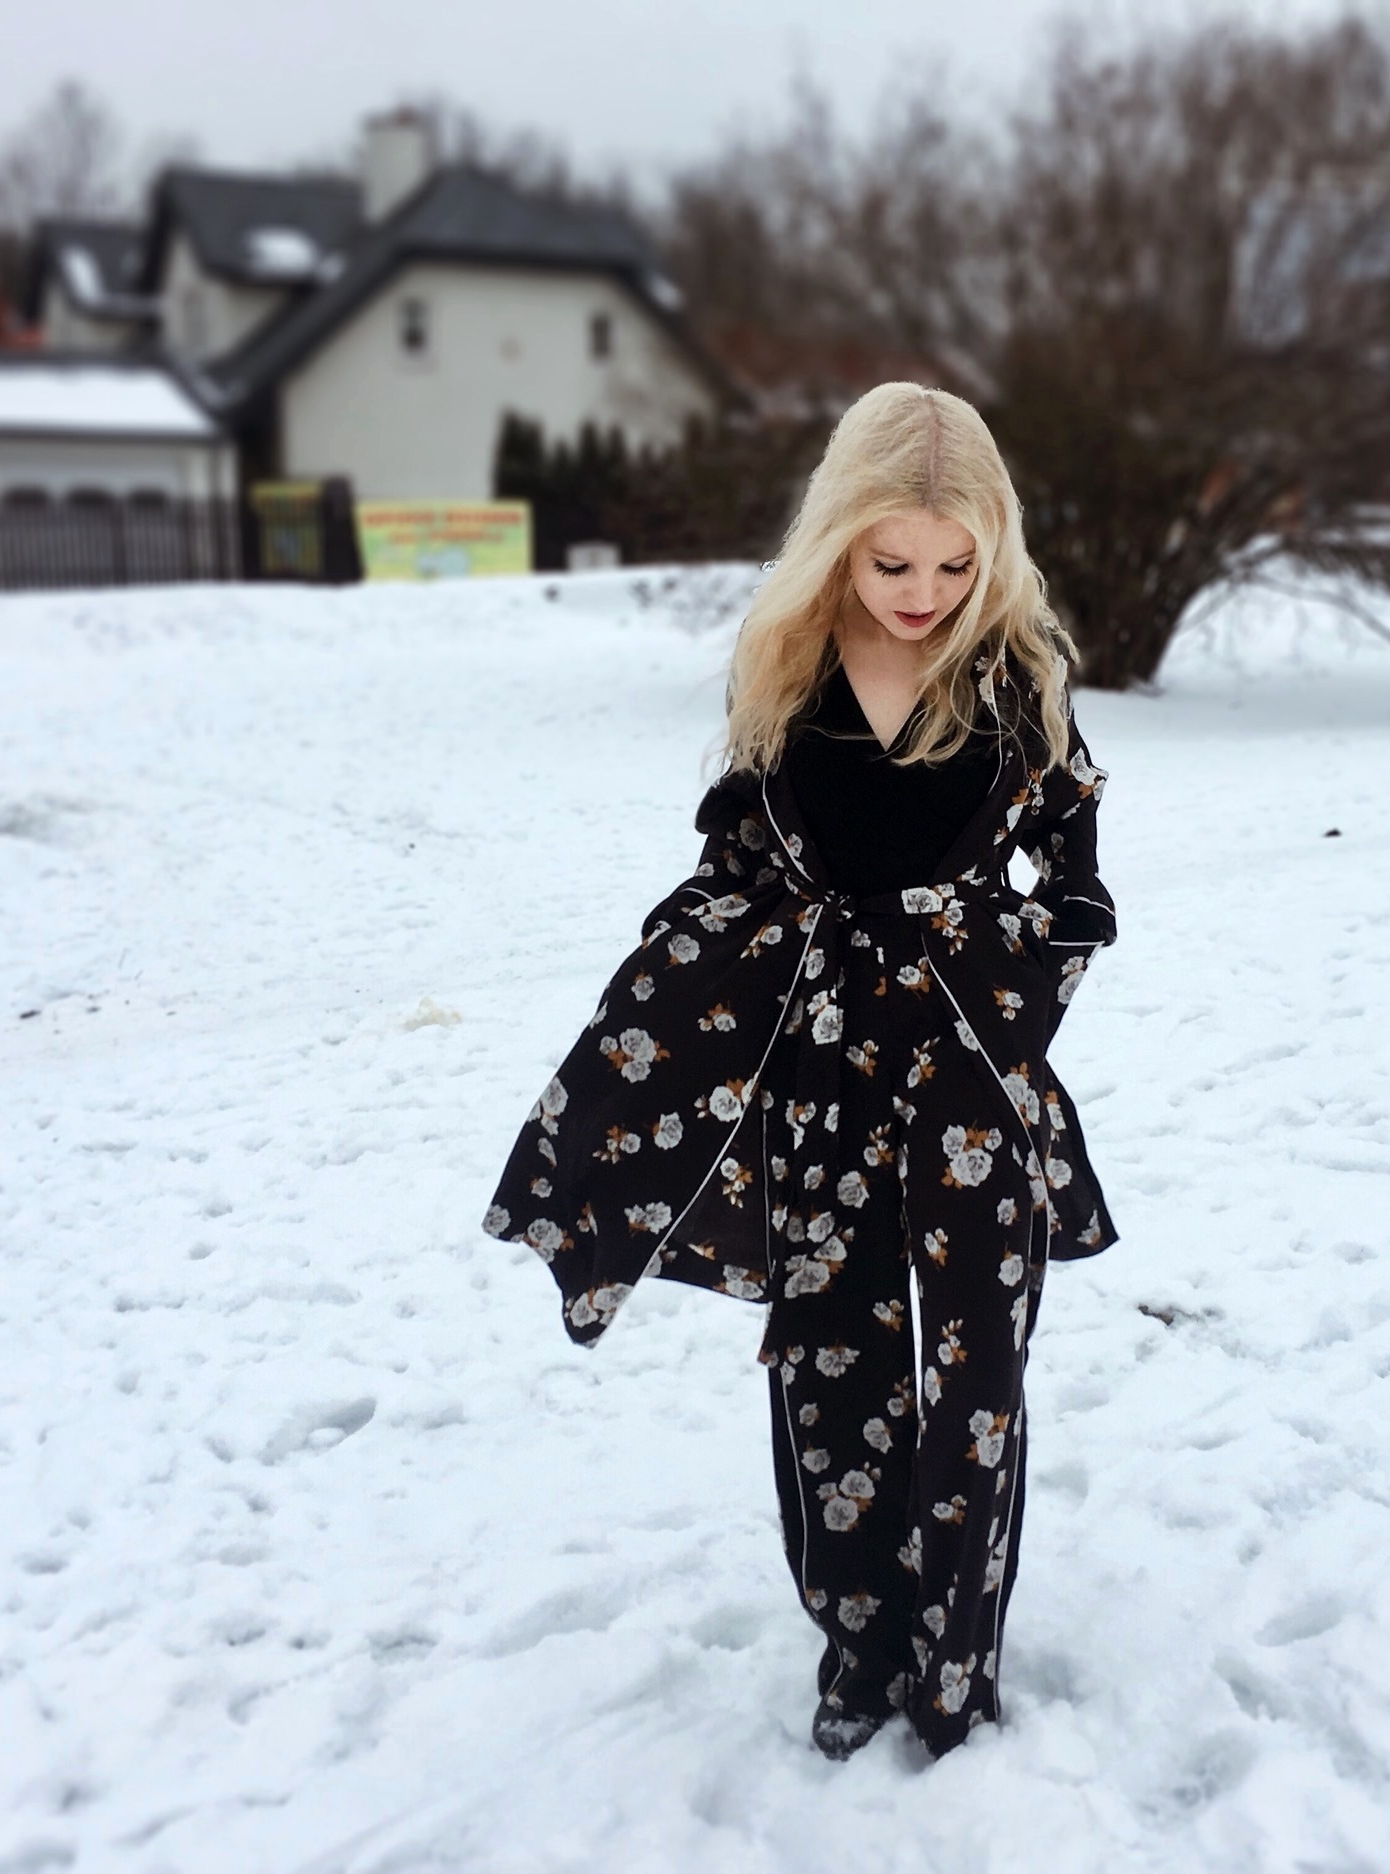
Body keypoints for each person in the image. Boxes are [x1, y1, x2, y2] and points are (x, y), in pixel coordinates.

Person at [482, 382, 1118, 1761]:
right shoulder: (784, 669)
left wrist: (1025, 979)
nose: (925, 591)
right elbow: (736, 861)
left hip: (968, 1091)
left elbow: (1076, 873)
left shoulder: (1014, 674)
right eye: (894, 561)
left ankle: (954, 1664)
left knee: (972, 1381)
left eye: (957, 565)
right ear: (840, 537)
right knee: (831, 1373)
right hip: (822, 1085)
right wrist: (670, 1001)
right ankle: (861, 1645)